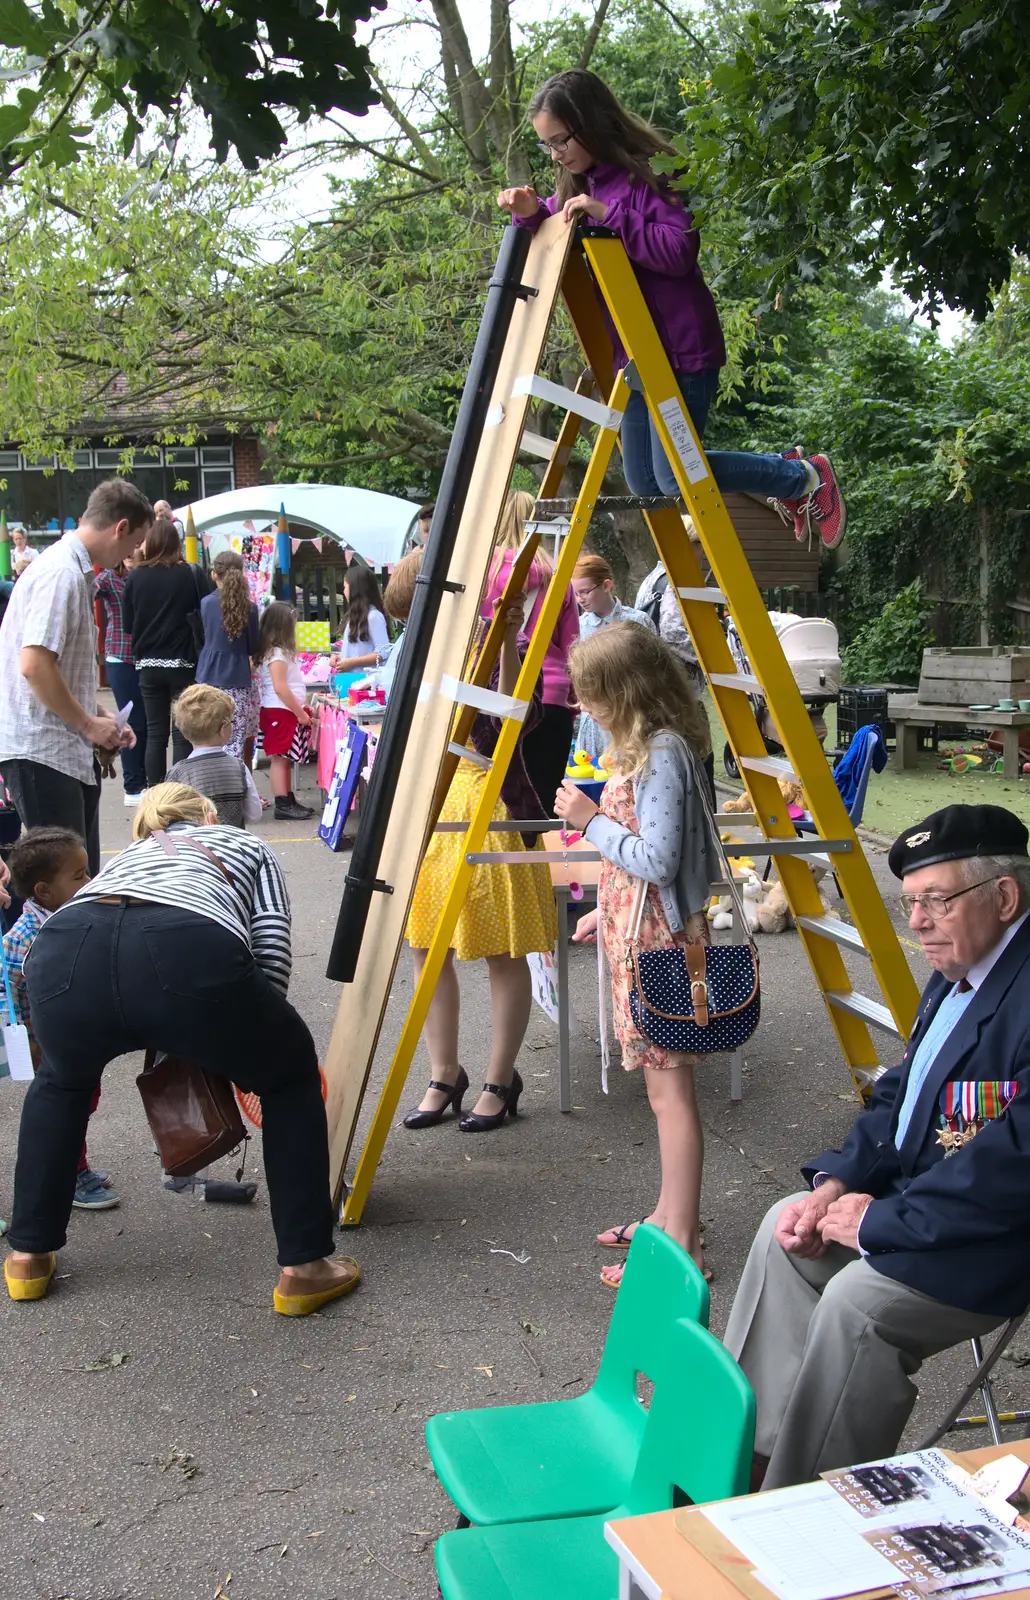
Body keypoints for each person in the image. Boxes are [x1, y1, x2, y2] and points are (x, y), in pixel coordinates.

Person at [725, 804, 1030, 1490]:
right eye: (910, 902)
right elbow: (903, 1097)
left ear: (1005, 898)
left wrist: (879, 1223)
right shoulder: (962, 966)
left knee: (859, 1304)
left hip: (998, 1239)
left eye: (935, 901)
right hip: (927, 1210)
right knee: (785, 1230)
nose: (916, 921)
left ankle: (807, 1508)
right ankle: (745, 1459)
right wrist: (833, 1186)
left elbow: (1012, 1165)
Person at [3, 782, 359, 1314]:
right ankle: (305, 1267)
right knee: (288, 1078)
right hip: (184, 946)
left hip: (62, 947)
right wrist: (249, 1043)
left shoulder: (130, 857)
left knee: (61, 1085)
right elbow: (271, 949)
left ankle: (29, 1256)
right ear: (208, 814)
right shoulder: (245, 844)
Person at [499, 69, 846, 550]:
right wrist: (528, 210)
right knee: (646, 483)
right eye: (547, 146)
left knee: (677, 474)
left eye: (560, 140)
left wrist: (609, 217)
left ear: (591, 122)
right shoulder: (584, 185)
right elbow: (557, 226)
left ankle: (802, 478)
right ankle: (789, 473)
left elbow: (678, 251)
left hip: (680, 351)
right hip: (636, 357)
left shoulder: (652, 173)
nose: (555, 154)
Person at [554, 623, 720, 1288]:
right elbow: (647, 861)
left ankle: (682, 1247)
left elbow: (657, 858)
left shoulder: (663, 754)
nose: (583, 705)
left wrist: (588, 820)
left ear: (623, 692)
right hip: (642, 928)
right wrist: (607, 905)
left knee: (670, 1092)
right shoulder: (650, 748)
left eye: (592, 693)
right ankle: (667, 1218)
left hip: (662, 941)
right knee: (661, 1092)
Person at [397, 555, 558, 1133]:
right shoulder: (429, 647)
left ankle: (498, 1078)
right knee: (424, 942)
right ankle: (444, 1074)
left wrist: (507, 640)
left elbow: (515, 718)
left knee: (502, 948)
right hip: (435, 808)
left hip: (488, 803)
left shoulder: (495, 640)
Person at [0, 478, 151, 876]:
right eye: (134, 543)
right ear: (120, 528)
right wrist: (87, 723)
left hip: (56, 751)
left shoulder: (71, 571)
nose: (132, 554)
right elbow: (33, 665)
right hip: (43, 752)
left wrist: (99, 719)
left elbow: (53, 669)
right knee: (64, 887)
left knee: (78, 883)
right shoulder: (62, 573)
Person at [2, 826, 118, 1211]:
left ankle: (75, 1164)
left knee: (85, 1099)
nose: (91, 880)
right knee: (67, 1105)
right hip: (48, 1042)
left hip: (76, 1035)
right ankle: (71, 1174)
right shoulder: (24, 936)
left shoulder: (73, 916)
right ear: (43, 892)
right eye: (79, 875)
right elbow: (9, 994)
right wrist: (28, 1043)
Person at [480, 490, 580, 817]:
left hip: (492, 700)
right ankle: (536, 866)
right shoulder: (559, 579)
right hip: (551, 697)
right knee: (543, 806)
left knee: (497, 804)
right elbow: (572, 646)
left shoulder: (483, 577)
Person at [122, 516, 211, 787]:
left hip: (148, 665)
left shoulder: (135, 577)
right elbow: (204, 614)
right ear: (176, 543)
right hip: (184, 662)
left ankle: (156, 792)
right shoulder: (190, 574)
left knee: (155, 732)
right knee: (182, 732)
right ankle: (180, 790)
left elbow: (128, 626)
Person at [634, 558, 716, 805]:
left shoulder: (652, 578)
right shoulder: (674, 581)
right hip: (678, 686)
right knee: (696, 755)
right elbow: (674, 634)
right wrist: (710, 656)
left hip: (656, 682)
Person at [572, 552, 655, 762]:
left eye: (585, 592)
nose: (580, 599)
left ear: (606, 586)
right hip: (594, 723)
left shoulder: (636, 621)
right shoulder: (578, 626)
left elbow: (653, 669)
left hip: (630, 718)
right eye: (575, 593)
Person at [195, 549, 260, 767]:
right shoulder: (250, 608)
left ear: (214, 574)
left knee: (208, 732)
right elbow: (253, 646)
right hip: (237, 675)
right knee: (234, 736)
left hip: (209, 673)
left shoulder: (206, 603)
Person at [166, 685, 262, 829]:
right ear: (223, 730)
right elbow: (254, 815)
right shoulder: (239, 768)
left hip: (194, 847)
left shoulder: (177, 773)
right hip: (233, 845)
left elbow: (170, 817)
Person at [94, 550, 148, 806]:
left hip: (146, 654)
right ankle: (133, 785)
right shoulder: (107, 579)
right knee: (131, 719)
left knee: (148, 723)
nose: (128, 553)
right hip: (119, 654)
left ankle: (144, 781)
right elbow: (87, 590)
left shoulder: (147, 577)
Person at [256, 601, 314, 821]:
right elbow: (281, 687)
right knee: (280, 758)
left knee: (284, 758)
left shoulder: (277, 652)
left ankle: (287, 799)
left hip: (283, 711)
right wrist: (300, 714)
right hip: (279, 711)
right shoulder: (277, 654)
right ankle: (283, 802)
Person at [329, 565, 390, 681]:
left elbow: (382, 654)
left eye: (345, 587)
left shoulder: (374, 616)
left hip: (367, 683)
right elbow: (358, 650)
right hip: (351, 680)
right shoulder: (354, 618)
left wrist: (351, 662)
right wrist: (340, 658)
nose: (344, 591)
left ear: (355, 589)